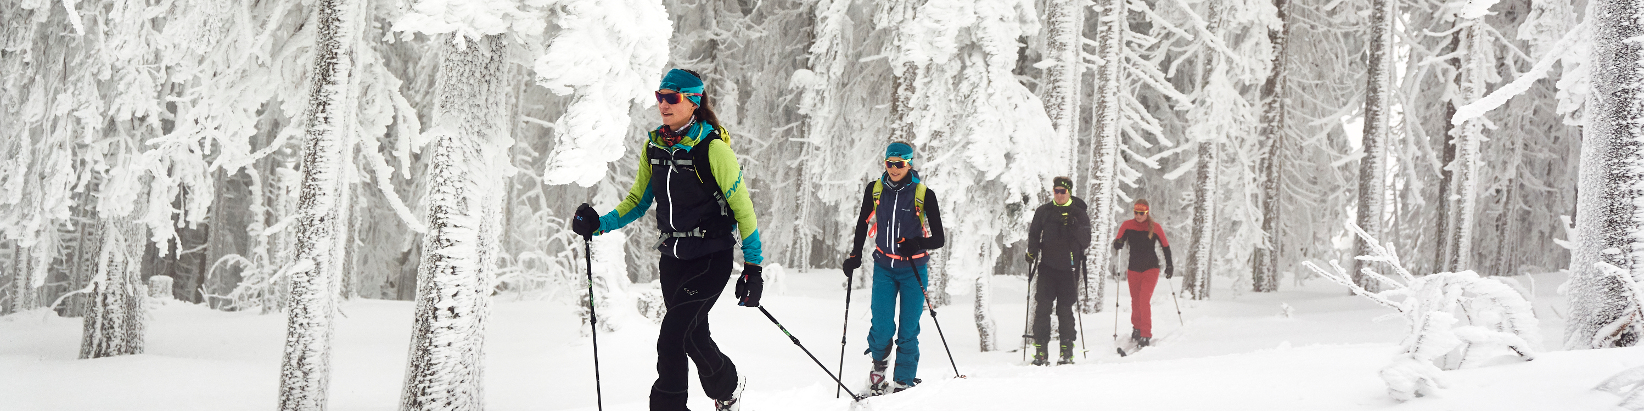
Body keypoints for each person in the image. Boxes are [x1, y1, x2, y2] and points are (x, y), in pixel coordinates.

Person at [571, 68, 763, 411]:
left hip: (711, 256)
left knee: (672, 333)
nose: (663, 104)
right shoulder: (654, 146)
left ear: (693, 101)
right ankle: (727, 390)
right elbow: (637, 202)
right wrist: (599, 224)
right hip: (673, 258)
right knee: (691, 334)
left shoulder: (713, 149)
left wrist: (754, 267)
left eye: (671, 98)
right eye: (659, 96)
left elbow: (743, 209)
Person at [839, 141, 946, 395]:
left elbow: (939, 239)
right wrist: (855, 255)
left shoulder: (923, 194)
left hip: (913, 268)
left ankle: (903, 382)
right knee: (882, 325)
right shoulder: (875, 190)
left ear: (909, 164)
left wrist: (916, 243)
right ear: (885, 163)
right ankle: (878, 372)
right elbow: (862, 224)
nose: (894, 168)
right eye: (890, 163)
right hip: (884, 266)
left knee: (909, 328)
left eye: (900, 164)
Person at [1025, 176, 1091, 365]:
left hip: (1070, 269)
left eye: (1063, 191)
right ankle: (1041, 351)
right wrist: (1031, 252)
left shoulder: (1079, 213)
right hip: (1047, 267)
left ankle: (1067, 350)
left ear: (1069, 192)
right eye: (1057, 191)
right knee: (1042, 308)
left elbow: (1086, 241)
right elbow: (1034, 234)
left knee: (1065, 309)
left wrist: (1075, 226)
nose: (1060, 195)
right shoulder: (1044, 212)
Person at [1111, 198, 1173, 348]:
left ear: (1147, 212)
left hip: (1151, 268)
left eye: (1141, 213)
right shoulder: (1127, 225)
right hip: (1133, 269)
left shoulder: (1155, 227)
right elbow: (1118, 241)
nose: (1138, 215)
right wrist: (1117, 243)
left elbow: (1165, 246)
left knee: (1144, 300)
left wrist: (1169, 265)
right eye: (1136, 212)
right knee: (1135, 300)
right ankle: (1137, 328)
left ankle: (1146, 334)